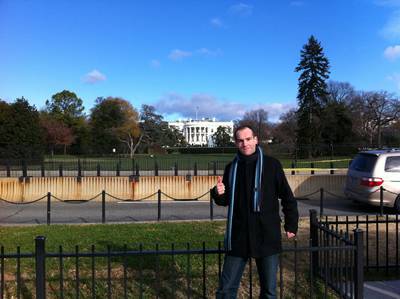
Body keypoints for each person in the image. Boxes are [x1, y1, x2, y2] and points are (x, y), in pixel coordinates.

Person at [211, 125, 299, 299]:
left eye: (248, 139)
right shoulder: (231, 168)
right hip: (239, 236)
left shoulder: (272, 165)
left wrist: (291, 224)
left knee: (268, 291)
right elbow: (225, 200)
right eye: (240, 141)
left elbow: (287, 197)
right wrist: (217, 193)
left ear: (256, 139)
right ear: (236, 143)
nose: (245, 144)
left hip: (266, 234)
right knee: (225, 290)